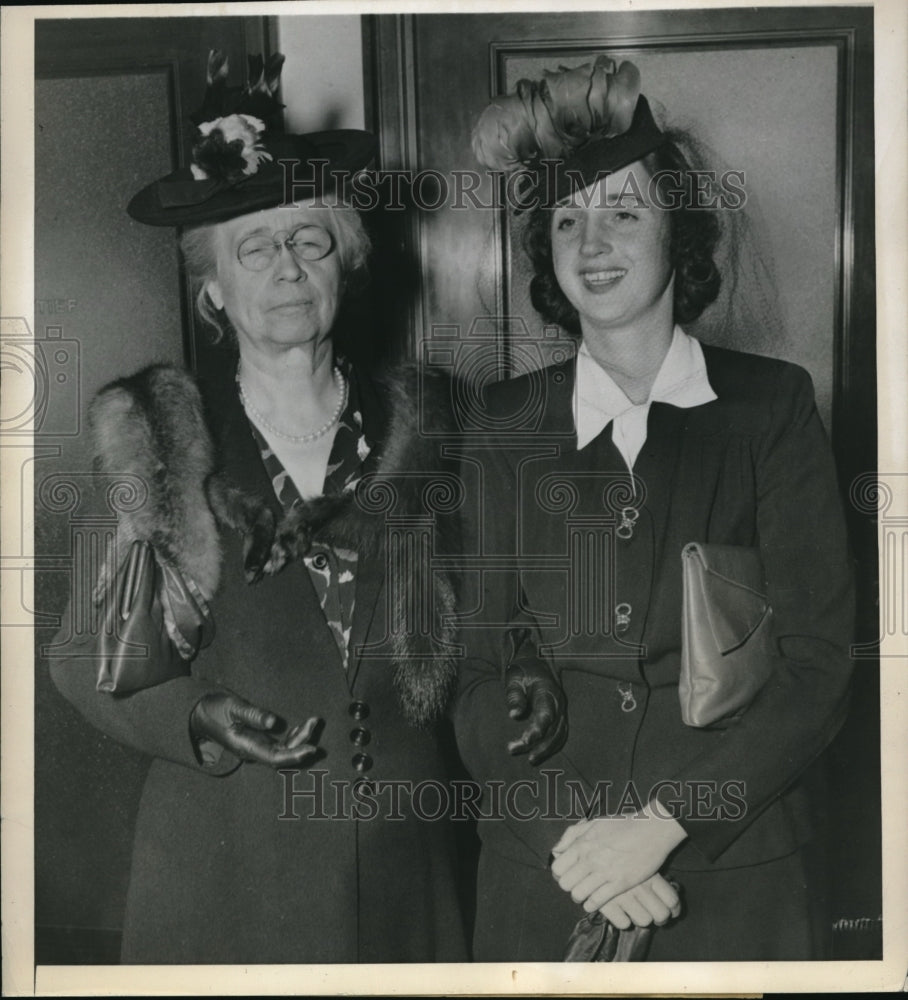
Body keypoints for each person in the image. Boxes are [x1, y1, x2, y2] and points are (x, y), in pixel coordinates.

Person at [48, 51, 563, 965]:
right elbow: (80, 654)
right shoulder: (154, 439)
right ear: (214, 287)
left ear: (346, 264)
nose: (287, 268)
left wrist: (522, 664)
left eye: (311, 241)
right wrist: (192, 714)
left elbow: (497, 607)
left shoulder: (437, 427)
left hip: (409, 875)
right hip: (226, 876)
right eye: (255, 248)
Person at [454, 57, 855, 961]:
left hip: (734, 874)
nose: (592, 242)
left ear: (681, 233)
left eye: (624, 213)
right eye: (567, 219)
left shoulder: (771, 408)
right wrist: (578, 841)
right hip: (546, 874)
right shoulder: (503, 424)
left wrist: (665, 823)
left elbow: (818, 666)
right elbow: (475, 674)